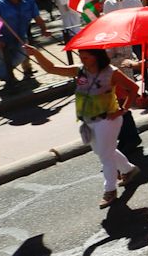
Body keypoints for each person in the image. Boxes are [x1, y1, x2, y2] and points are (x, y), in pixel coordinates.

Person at [26, 46, 140, 207]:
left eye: (85, 57)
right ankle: (128, 170)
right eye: (80, 56)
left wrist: (122, 110)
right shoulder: (80, 70)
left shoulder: (111, 72)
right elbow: (51, 68)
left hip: (107, 120)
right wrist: (37, 53)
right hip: (88, 120)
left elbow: (133, 89)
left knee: (105, 156)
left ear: (96, 57)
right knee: (103, 151)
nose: (82, 60)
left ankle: (110, 190)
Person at [0, 0, 47, 92]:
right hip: (1, 38)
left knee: (21, 55)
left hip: (20, 36)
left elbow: (37, 17)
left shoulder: (28, 0)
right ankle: (10, 84)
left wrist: (44, 29)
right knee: (2, 61)